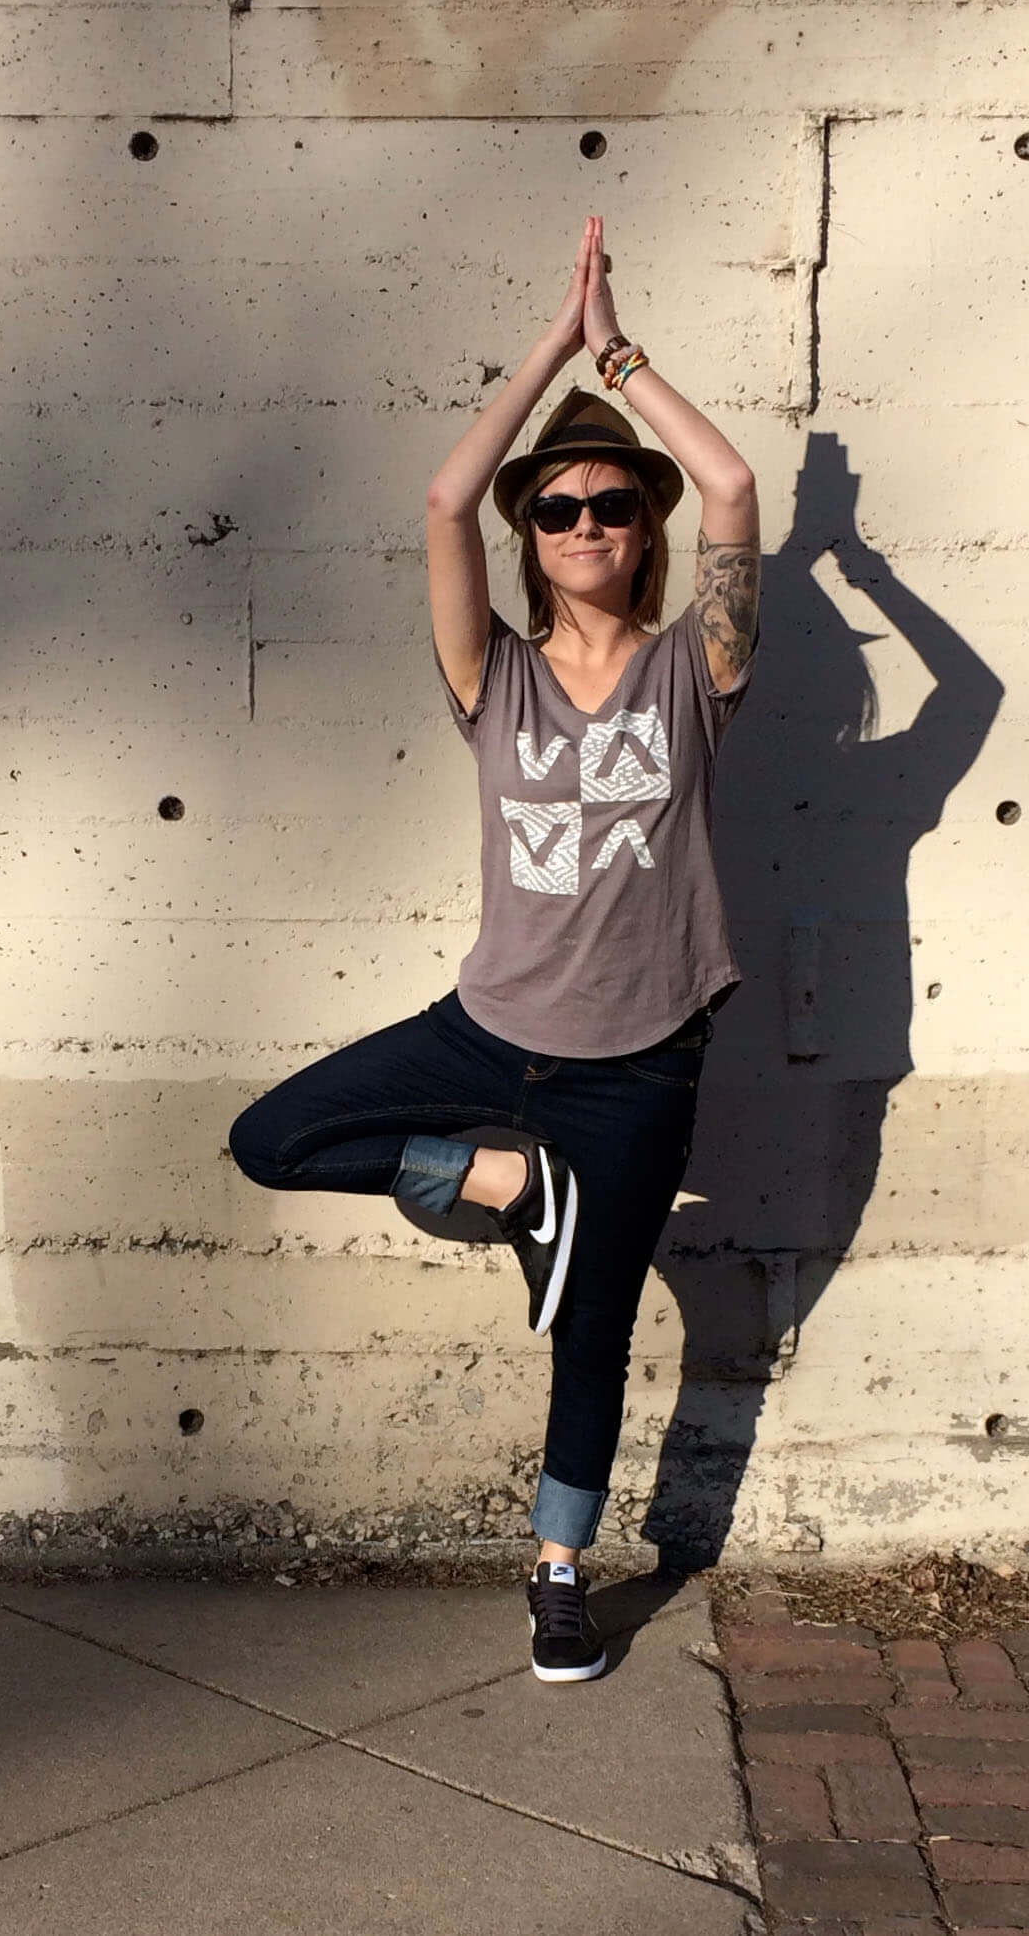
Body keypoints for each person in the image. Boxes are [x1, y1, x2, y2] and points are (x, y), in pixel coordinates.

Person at [228, 215, 760, 1681]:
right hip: (490, 1032)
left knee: (592, 1332)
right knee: (270, 1137)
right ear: (533, 538)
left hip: (639, 1070)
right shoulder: (495, 675)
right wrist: (548, 348)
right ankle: (510, 1186)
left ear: (641, 529)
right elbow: (443, 498)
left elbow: (728, 479)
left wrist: (620, 354)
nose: (586, 523)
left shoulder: (694, 675)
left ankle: (559, 1568)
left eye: (609, 506)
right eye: (561, 509)